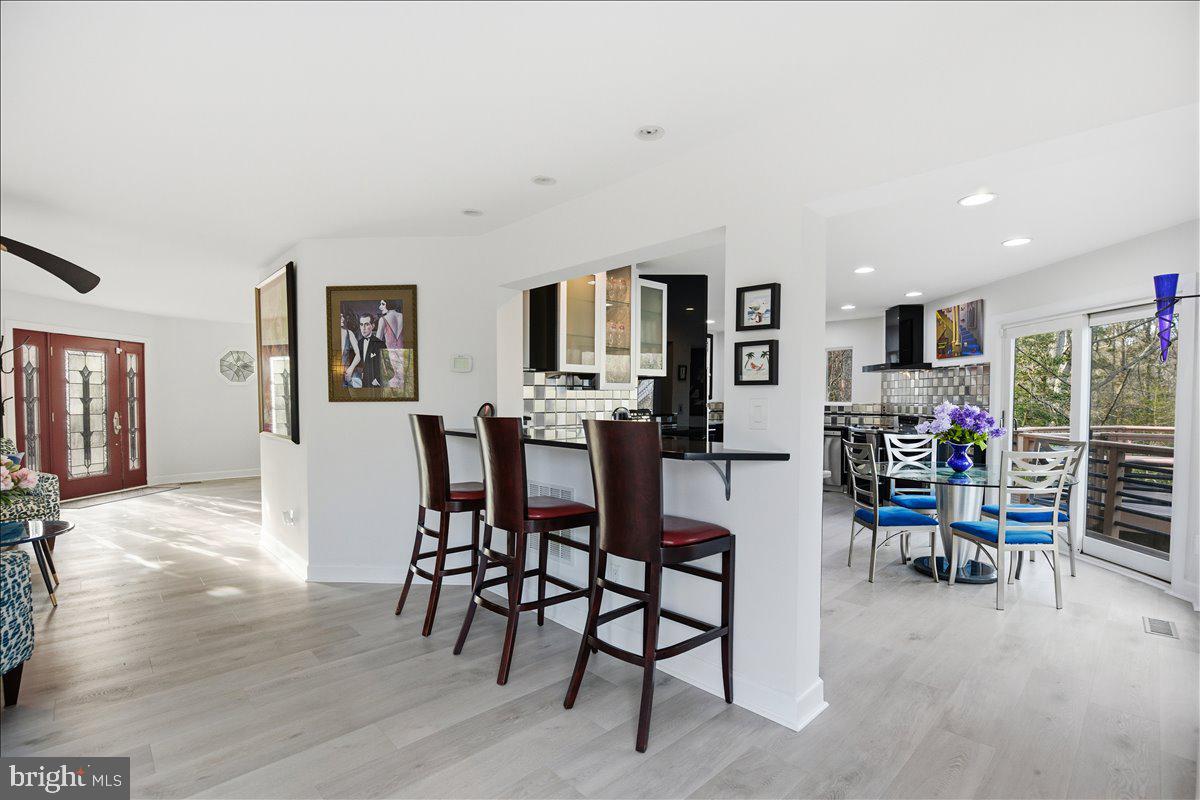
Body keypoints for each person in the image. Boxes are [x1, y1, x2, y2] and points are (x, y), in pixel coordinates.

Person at [344, 313, 384, 387]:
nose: (363, 328)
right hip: (361, 383)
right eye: (361, 324)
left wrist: (377, 380)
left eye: (366, 324)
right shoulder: (358, 344)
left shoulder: (380, 344)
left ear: (372, 326)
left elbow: (387, 367)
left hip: (375, 385)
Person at [377, 299, 404, 389]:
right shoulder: (403, 316)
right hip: (404, 356)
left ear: (389, 304)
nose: (380, 307)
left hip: (392, 357)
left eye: (383, 304)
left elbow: (376, 342)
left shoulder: (383, 319)